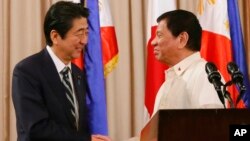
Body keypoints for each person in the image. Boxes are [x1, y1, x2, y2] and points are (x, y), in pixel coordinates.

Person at [12, 1, 111, 141]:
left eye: (87, 33)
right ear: (55, 36)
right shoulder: (26, 72)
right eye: (79, 34)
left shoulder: (77, 74)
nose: (85, 41)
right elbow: (36, 129)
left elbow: (77, 125)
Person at [151, 9, 224, 116]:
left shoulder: (204, 75)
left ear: (182, 39)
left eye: (160, 35)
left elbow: (213, 126)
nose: (153, 42)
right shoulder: (164, 86)